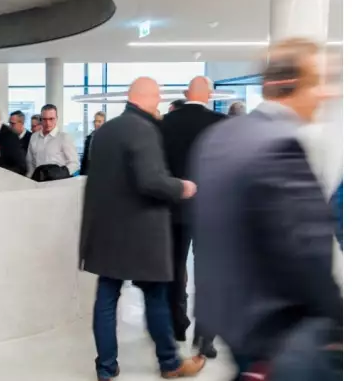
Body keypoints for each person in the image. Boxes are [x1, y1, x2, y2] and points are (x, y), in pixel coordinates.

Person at [192, 39, 342, 380]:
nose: (327, 94)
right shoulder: (281, 146)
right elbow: (306, 252)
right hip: (279, 332)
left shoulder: (220, 137)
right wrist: (338, 323)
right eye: (320, 82)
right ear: (292, 85)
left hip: (229, 317)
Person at [79, 77, 205, 380]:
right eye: (157, 95)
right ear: (144, 97)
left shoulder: (104, 131)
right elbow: (150, 181)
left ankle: (106, 368)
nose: (159, 101)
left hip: (107, 232)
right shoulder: (144, 130)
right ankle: (170, 363)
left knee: (106, 299)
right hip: (141, 235)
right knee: (156, 296)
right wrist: (182, 187)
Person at [160, 76, 226, 357]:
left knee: (175, 269)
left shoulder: (166, 123)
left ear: (186, 93)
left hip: (174, 206)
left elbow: (159, 167)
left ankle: (177, 326)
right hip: (210, 210)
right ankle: (206, 337)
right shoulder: (221, 123)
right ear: (209, 95)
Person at [25, 104, 79, 181]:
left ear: (56, 119)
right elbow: (30, 162)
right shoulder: (34, 137)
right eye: (45, 119)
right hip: (38, 183)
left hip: (58, 183)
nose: (48, 123)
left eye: (51, 119)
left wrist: (61, 174)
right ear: (41, 119)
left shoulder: (64, 137)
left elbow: (74, 163)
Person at [80, 110, 105, 176]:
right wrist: (82, 173)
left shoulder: (108, 138)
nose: (96, 124)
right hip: (88, 170)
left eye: (99, 121)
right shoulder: (89, 137)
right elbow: (85, 157)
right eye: (95, 121)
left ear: (104, 123)